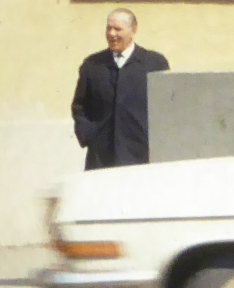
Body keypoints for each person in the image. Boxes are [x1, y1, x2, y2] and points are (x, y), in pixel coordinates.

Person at [70, 9, 169, 169]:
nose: (111, 34)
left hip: (140, 154)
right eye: (108, 28)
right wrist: (88, 135)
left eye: (117, 29)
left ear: (133, 30)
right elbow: (79, 106)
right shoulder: (93, 65)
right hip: (101, 156)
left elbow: (165, 106)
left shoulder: (154, 63)